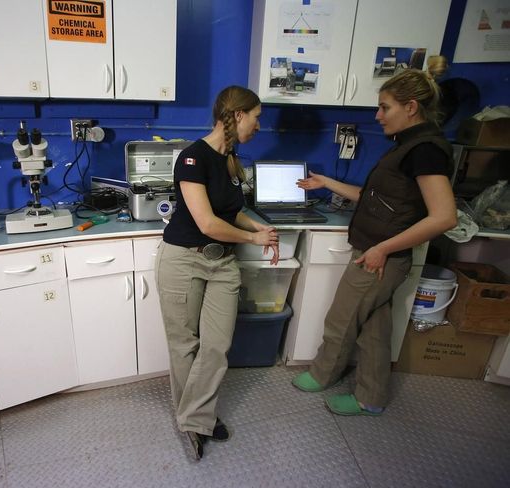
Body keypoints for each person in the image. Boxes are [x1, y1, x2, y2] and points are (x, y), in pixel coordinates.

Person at [291, 56, 458, 416]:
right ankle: (372, 397)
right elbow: (377, 198)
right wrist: (326, 181)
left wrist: (382, 248)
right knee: (375, 328)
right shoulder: (408, 145)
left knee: (341, 320)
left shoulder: (425, 150)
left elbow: (444, 216)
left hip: (379, 256)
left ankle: (322, 375)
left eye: (385, 107)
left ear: (411, 107)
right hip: (384, 256)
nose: (378, 115)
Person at [155, 85, 280, 459]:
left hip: (222, 263)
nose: (259, 125)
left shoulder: (231, 159)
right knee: (185, 344)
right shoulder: (193, 158)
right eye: (257, 117)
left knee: (216, 346)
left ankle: (193, 417)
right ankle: (197, 420)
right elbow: (208, 223)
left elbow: (230, 210)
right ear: (238, 115)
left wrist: (256, 228)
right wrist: (253, 240)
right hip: (183, 258)